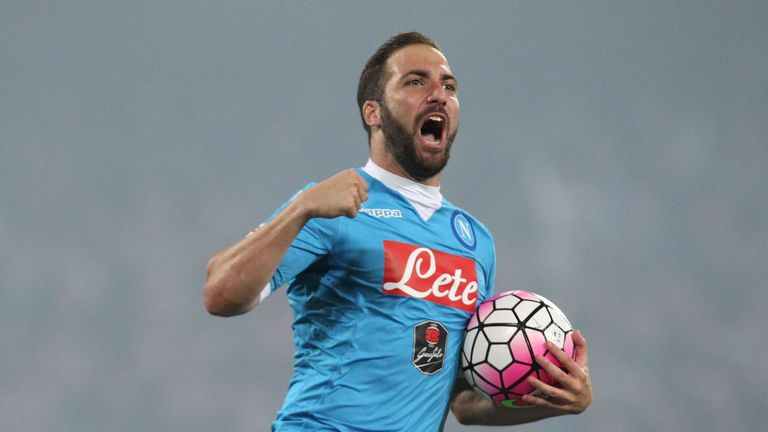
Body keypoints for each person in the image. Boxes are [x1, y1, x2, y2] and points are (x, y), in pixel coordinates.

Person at [204, 32, 592, 431]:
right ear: (373, 112)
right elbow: (220, 293)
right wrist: (300, 210)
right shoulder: (331, 203)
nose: (439, 94)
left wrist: (556, 401)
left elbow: (461, 400)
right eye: (415, 81)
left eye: (449, 85)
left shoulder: (476, 243)